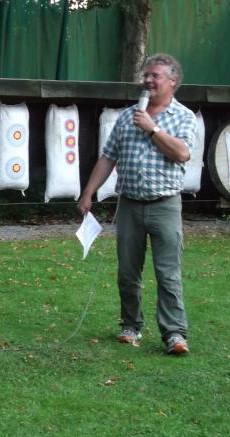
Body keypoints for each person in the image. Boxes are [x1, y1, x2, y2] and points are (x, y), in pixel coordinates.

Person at [78, 53, 197, 355]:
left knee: (167, 273)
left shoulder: (183, 117)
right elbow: (108, 157)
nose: (148, 80)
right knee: (128, 272)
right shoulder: (126, 116)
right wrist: (88, 192)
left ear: (173, 82)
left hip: (165, 205)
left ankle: (174, 334)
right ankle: (131, 326)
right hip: (129, 205)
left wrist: (152, 128)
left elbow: (182, 154)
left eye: (155, 75)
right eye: (146, 75)